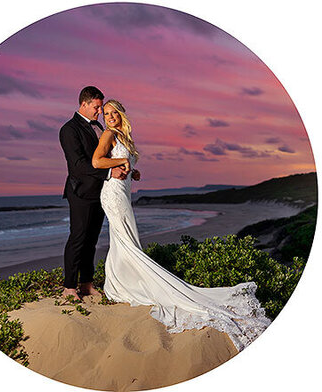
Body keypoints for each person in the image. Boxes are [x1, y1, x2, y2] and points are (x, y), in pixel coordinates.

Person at [92, 99, 271, 352]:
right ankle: (122, 285)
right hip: (111, 194)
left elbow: (120, 162)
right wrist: (121, 164)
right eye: (106, 113)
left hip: (122, 191)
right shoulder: (109, 134)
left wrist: (133, 171)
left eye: (113, 113)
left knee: (126, 240)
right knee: (126, 240)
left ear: (121, 114)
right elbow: (97, 162)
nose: (109, 117)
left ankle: (120, 282)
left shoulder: (122, 136)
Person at [59, 87, 140, 301]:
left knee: (92, 239)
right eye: (96, 107)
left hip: (101, 191)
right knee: (78, 238)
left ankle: (86, 283)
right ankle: (69, 287)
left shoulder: (98, 126)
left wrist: (126, 168)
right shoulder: (69, 129)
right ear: (83, 104)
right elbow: (78, 165)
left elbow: (107, 154)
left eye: (100, 108)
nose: (99, 112)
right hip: (81, 192)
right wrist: (109, 170)